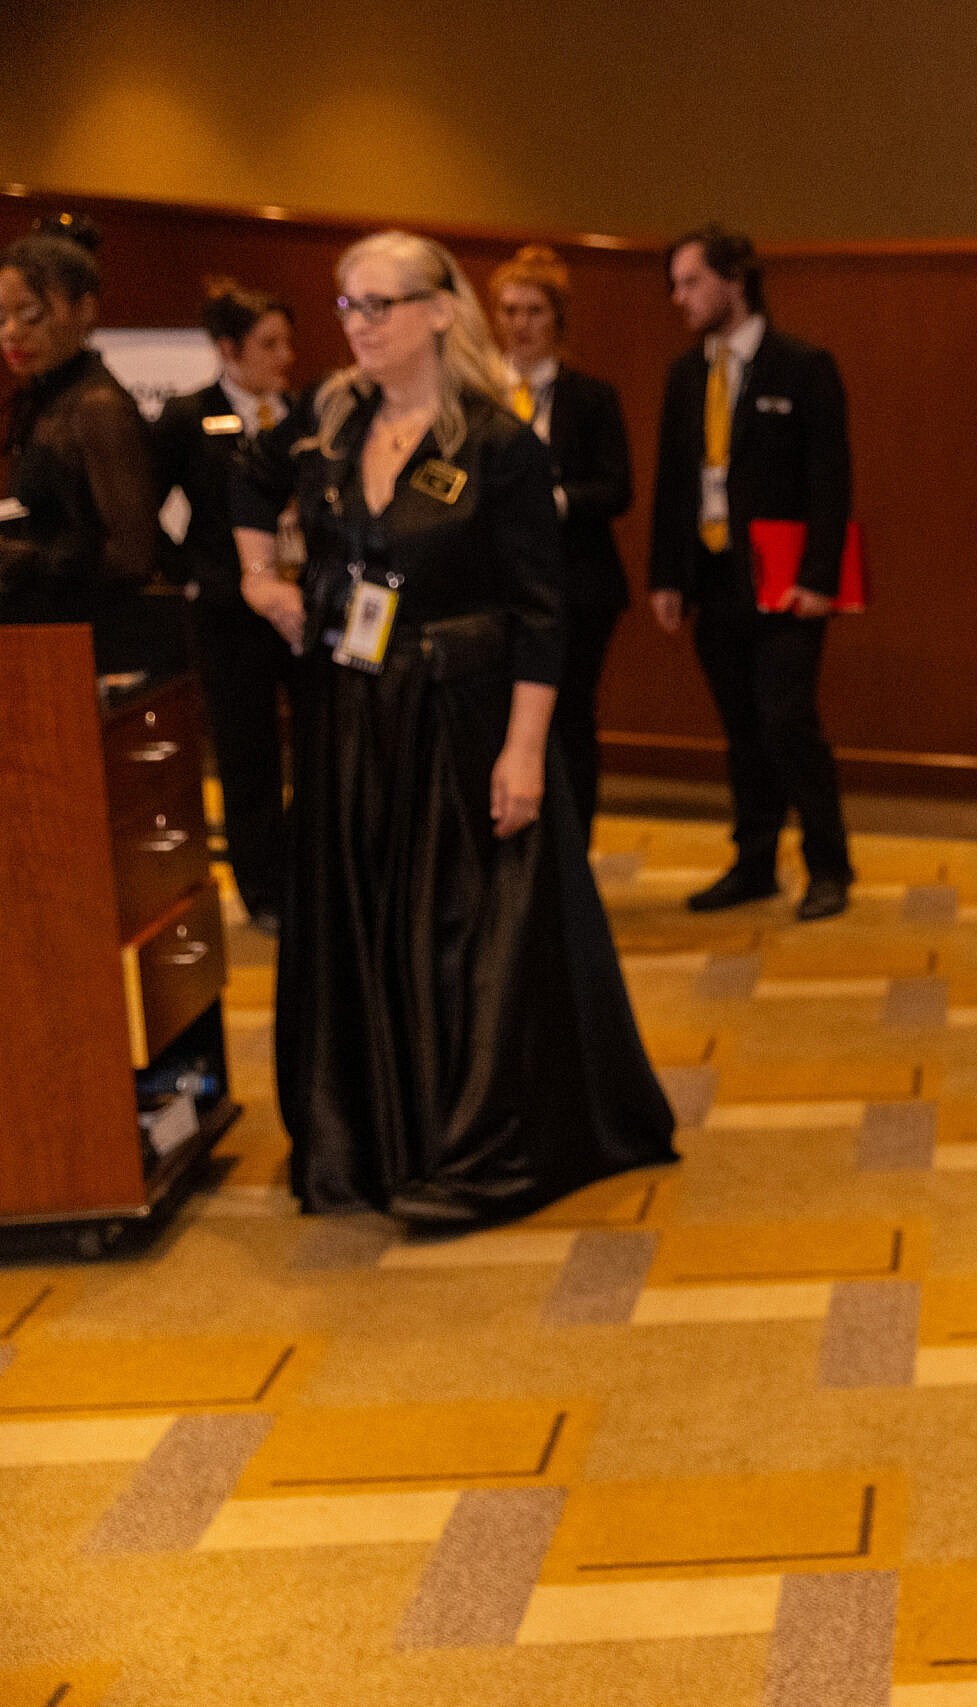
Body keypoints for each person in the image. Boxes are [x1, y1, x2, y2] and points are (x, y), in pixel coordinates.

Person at [232, 230, 675, 1230]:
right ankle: (368, 1145)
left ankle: (465, 1148)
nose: (358, 325)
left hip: (457, 723)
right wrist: (262, 578)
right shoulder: (329, 418)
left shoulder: (498, 445)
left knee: (463, 941)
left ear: (438, 311)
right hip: (349, 722)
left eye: (378, 305)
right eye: (346, 306)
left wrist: (524, 751)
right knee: (358, 926)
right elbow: (246, 477)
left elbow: (540, 614)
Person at [646, 223, 855, 921]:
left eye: (691, 281)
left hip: (786, 581)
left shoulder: (803, 366)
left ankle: (829, 864)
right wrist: (667, 577)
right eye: (674, 284)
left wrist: (820, 577)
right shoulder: (686, 374)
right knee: (741, 728)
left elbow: (830, 481)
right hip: (714, 576)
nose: (678, 297)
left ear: (734, 280)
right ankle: (755, 862)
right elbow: (674, 482)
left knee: (787, 720)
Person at [155, 280, 302, 930]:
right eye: (269, 344)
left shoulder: (302, 415)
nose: (285, 357)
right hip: (227, 611)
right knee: (248, 755)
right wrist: (193, 573)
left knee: (320, 744)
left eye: (288, 342)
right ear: (228, 348)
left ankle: (310, 875)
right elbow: (141, 506)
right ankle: (263, 891)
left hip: (300, 606)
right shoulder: (189, 416)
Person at [490, 243, 634, 838]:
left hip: (578, 584)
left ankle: (573, 848)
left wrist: (551, 500)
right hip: (496, 586)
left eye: (534, 311)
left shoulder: (590, 397)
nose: (520, 324)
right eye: (509, 311)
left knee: (568, 716)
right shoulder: (477, 393)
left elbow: (616, 489)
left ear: (558, 319)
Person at [0, 216, 168, 675]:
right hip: (42, 637)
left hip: (89, 645)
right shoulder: (42, 398)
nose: (12, 332)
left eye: (31, 315)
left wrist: (25, 562)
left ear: (85, 310)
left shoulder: (97, 406)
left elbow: (134, 554)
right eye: (1, 317)